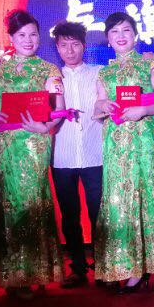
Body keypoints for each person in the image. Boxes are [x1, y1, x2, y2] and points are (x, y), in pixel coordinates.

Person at [0, 10, 65, 300]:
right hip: (5, 146)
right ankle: (13, 274)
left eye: (33, 34)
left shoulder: (49, 70)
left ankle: (36, 271)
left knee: (32, 205)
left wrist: (46, 127)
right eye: (21, 35)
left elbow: (59, 109)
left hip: (34, 144)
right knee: (7, 206)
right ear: (11, 38)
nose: (28, 40)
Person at [93, 12, 154, 293]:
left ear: (135, 34)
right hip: (114, 144)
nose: (120, 36)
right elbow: (98, 107)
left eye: (126, 30)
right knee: (117, 201)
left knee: (142, 196)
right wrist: (103, 107)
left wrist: (143, 110)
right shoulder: (104, 73)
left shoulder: (149, 63)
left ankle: (143, 268)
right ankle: (119, 265)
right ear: (108, 39)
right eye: (114, 32)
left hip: (142, 142)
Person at [51, 21, 103, 288]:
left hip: (96, 154)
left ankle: (104, 268)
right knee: (69, 215)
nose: (69, 50)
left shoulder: (99, 73)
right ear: (57, 48)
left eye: (75, 44)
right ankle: (78, 269)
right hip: (62, 155)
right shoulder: (51, 77)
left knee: (99, 213)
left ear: (84, 45)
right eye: (64, 45)